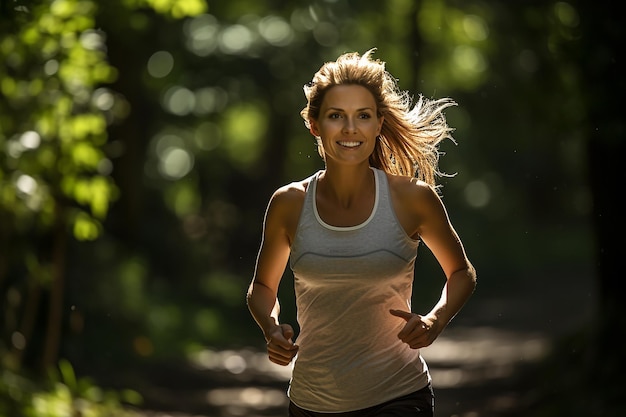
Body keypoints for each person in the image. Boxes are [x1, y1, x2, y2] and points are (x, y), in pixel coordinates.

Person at [246, 49, 477, 417]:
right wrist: (270, 327)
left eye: (363, 116)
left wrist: (435, 319)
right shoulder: (289, 204)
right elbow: (262, 289)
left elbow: (461, 272)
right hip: (311, 402)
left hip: (398, 394)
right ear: (315, 124)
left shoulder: (412, 198)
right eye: (336, 116)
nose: (350, 129)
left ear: (378, 123)